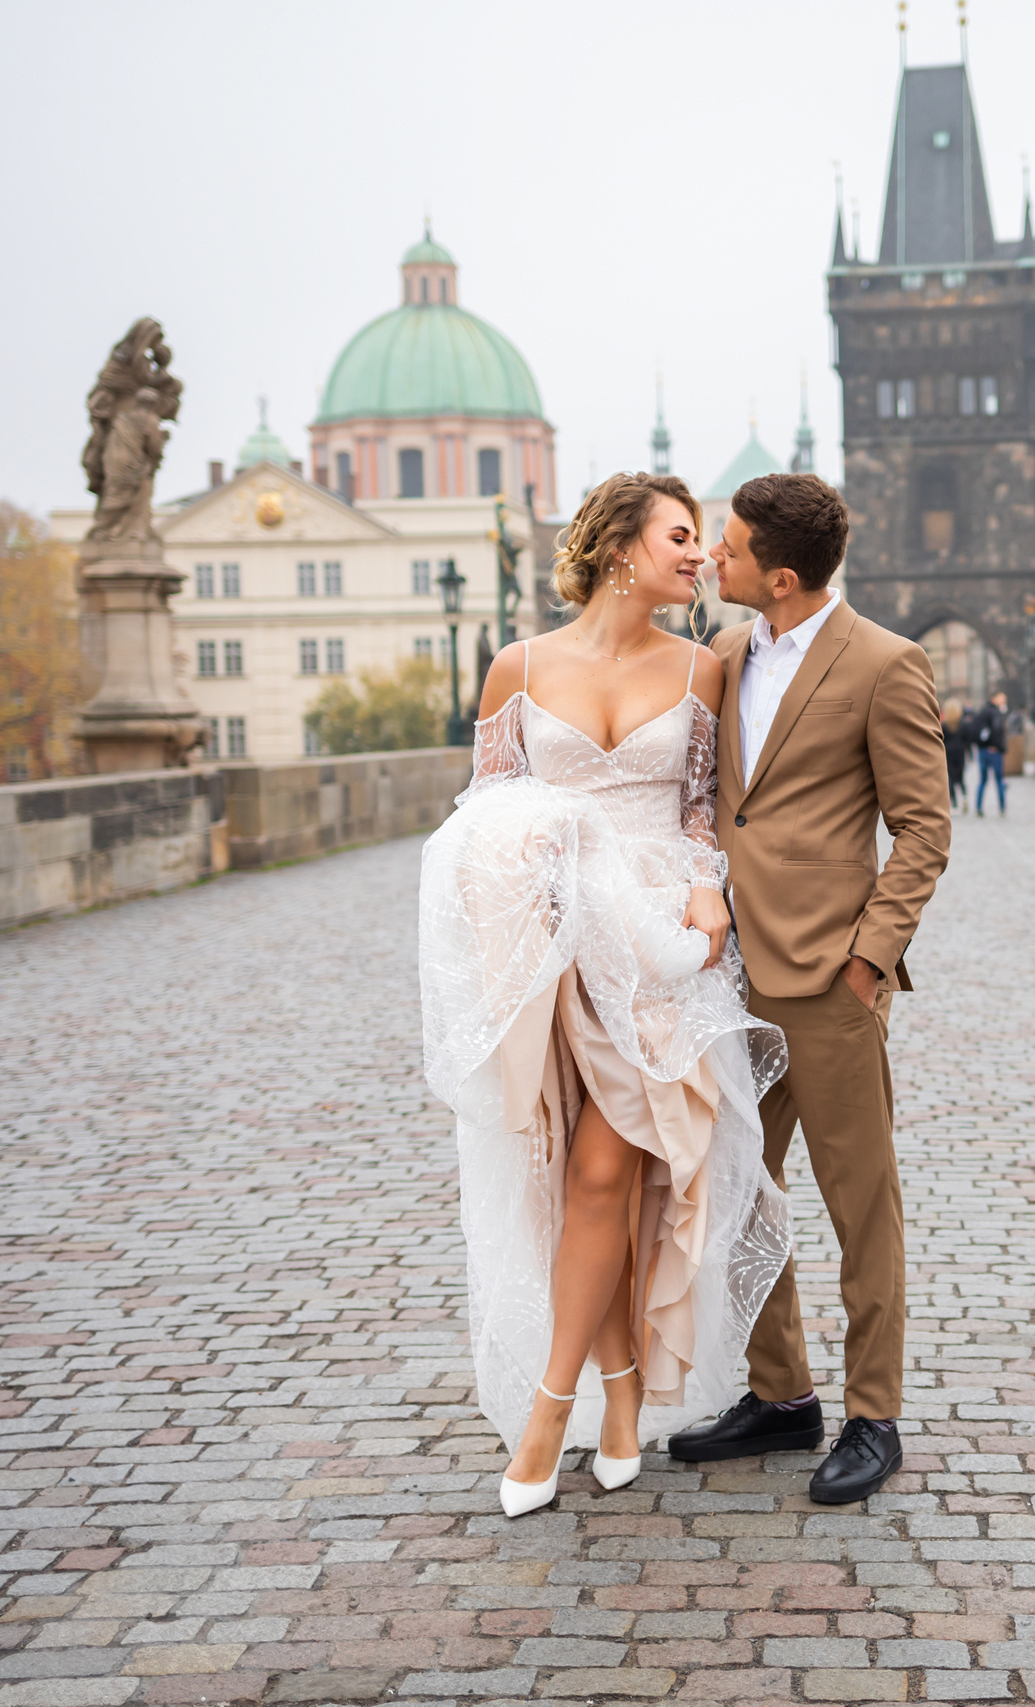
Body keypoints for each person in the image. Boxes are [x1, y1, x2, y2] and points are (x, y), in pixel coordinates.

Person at [416, 472, 792, 1519]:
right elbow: (479, 830)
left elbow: (699, 818)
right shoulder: (516, 668)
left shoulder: (700, 669)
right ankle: (621, 1394)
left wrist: (709, 895)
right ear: (621, 545)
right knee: (577, 1184)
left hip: (657, 958)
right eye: (682, 537)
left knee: (604, 1172)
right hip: (549, 950)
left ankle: (549, 1412)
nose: (702, 556)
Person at [669, 471, 952, 1506]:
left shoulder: (886, 663)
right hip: (728, 970)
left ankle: (874, 1415)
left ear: (779, 576)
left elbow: (925, 828)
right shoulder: (725, 653)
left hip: (830, 976)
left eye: (730, 549)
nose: (713, 558)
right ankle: (781, 1395)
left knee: (858, 1204)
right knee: (741, 1189)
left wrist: (869, 959)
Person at [970, 691, 1011, 817]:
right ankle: (1002, 808)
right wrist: (998, 747)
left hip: (982, 750)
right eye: (1002, 698)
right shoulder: (996, 713)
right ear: (995, 698)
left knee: (982, 780)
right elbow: (998, 730)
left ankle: (978, 807)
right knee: (999, 780)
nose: (1004, 700)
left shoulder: (982, 711)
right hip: (994, 751)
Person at [940, 699, 969, 812]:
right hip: (960, 753)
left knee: (950, 778)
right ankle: (965, 796)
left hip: (948, 754)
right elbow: (968, 741)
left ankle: (954, 803)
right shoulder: (963, 725)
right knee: (961, 778)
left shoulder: (944, 725)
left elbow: (941, 740)